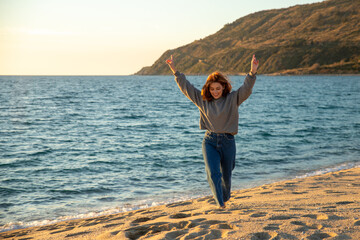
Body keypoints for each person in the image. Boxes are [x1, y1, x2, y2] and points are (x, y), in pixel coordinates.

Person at [166, 54, 259, 208]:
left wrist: (252, 72)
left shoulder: (233, 99)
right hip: (209, 141)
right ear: (208, 89)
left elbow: (246, 89)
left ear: (223, 87)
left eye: (218, 88)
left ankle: (224, 197)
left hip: (228, 142)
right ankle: (220, 204)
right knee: (213, 173)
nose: (215, 91)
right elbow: (186, 87)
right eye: (212, 88)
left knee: (227, 176)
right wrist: (175, 71)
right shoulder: (202, 100)